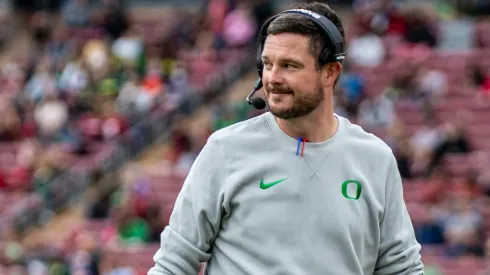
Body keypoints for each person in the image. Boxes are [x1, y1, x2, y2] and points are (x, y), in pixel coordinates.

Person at [148, 1, 424, 274]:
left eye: (289, 65)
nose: (273, 78)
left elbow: (402, 267)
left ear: (330, 72)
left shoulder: (375, 158)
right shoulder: (225, 149)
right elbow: (174, 262)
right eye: (267, 64)